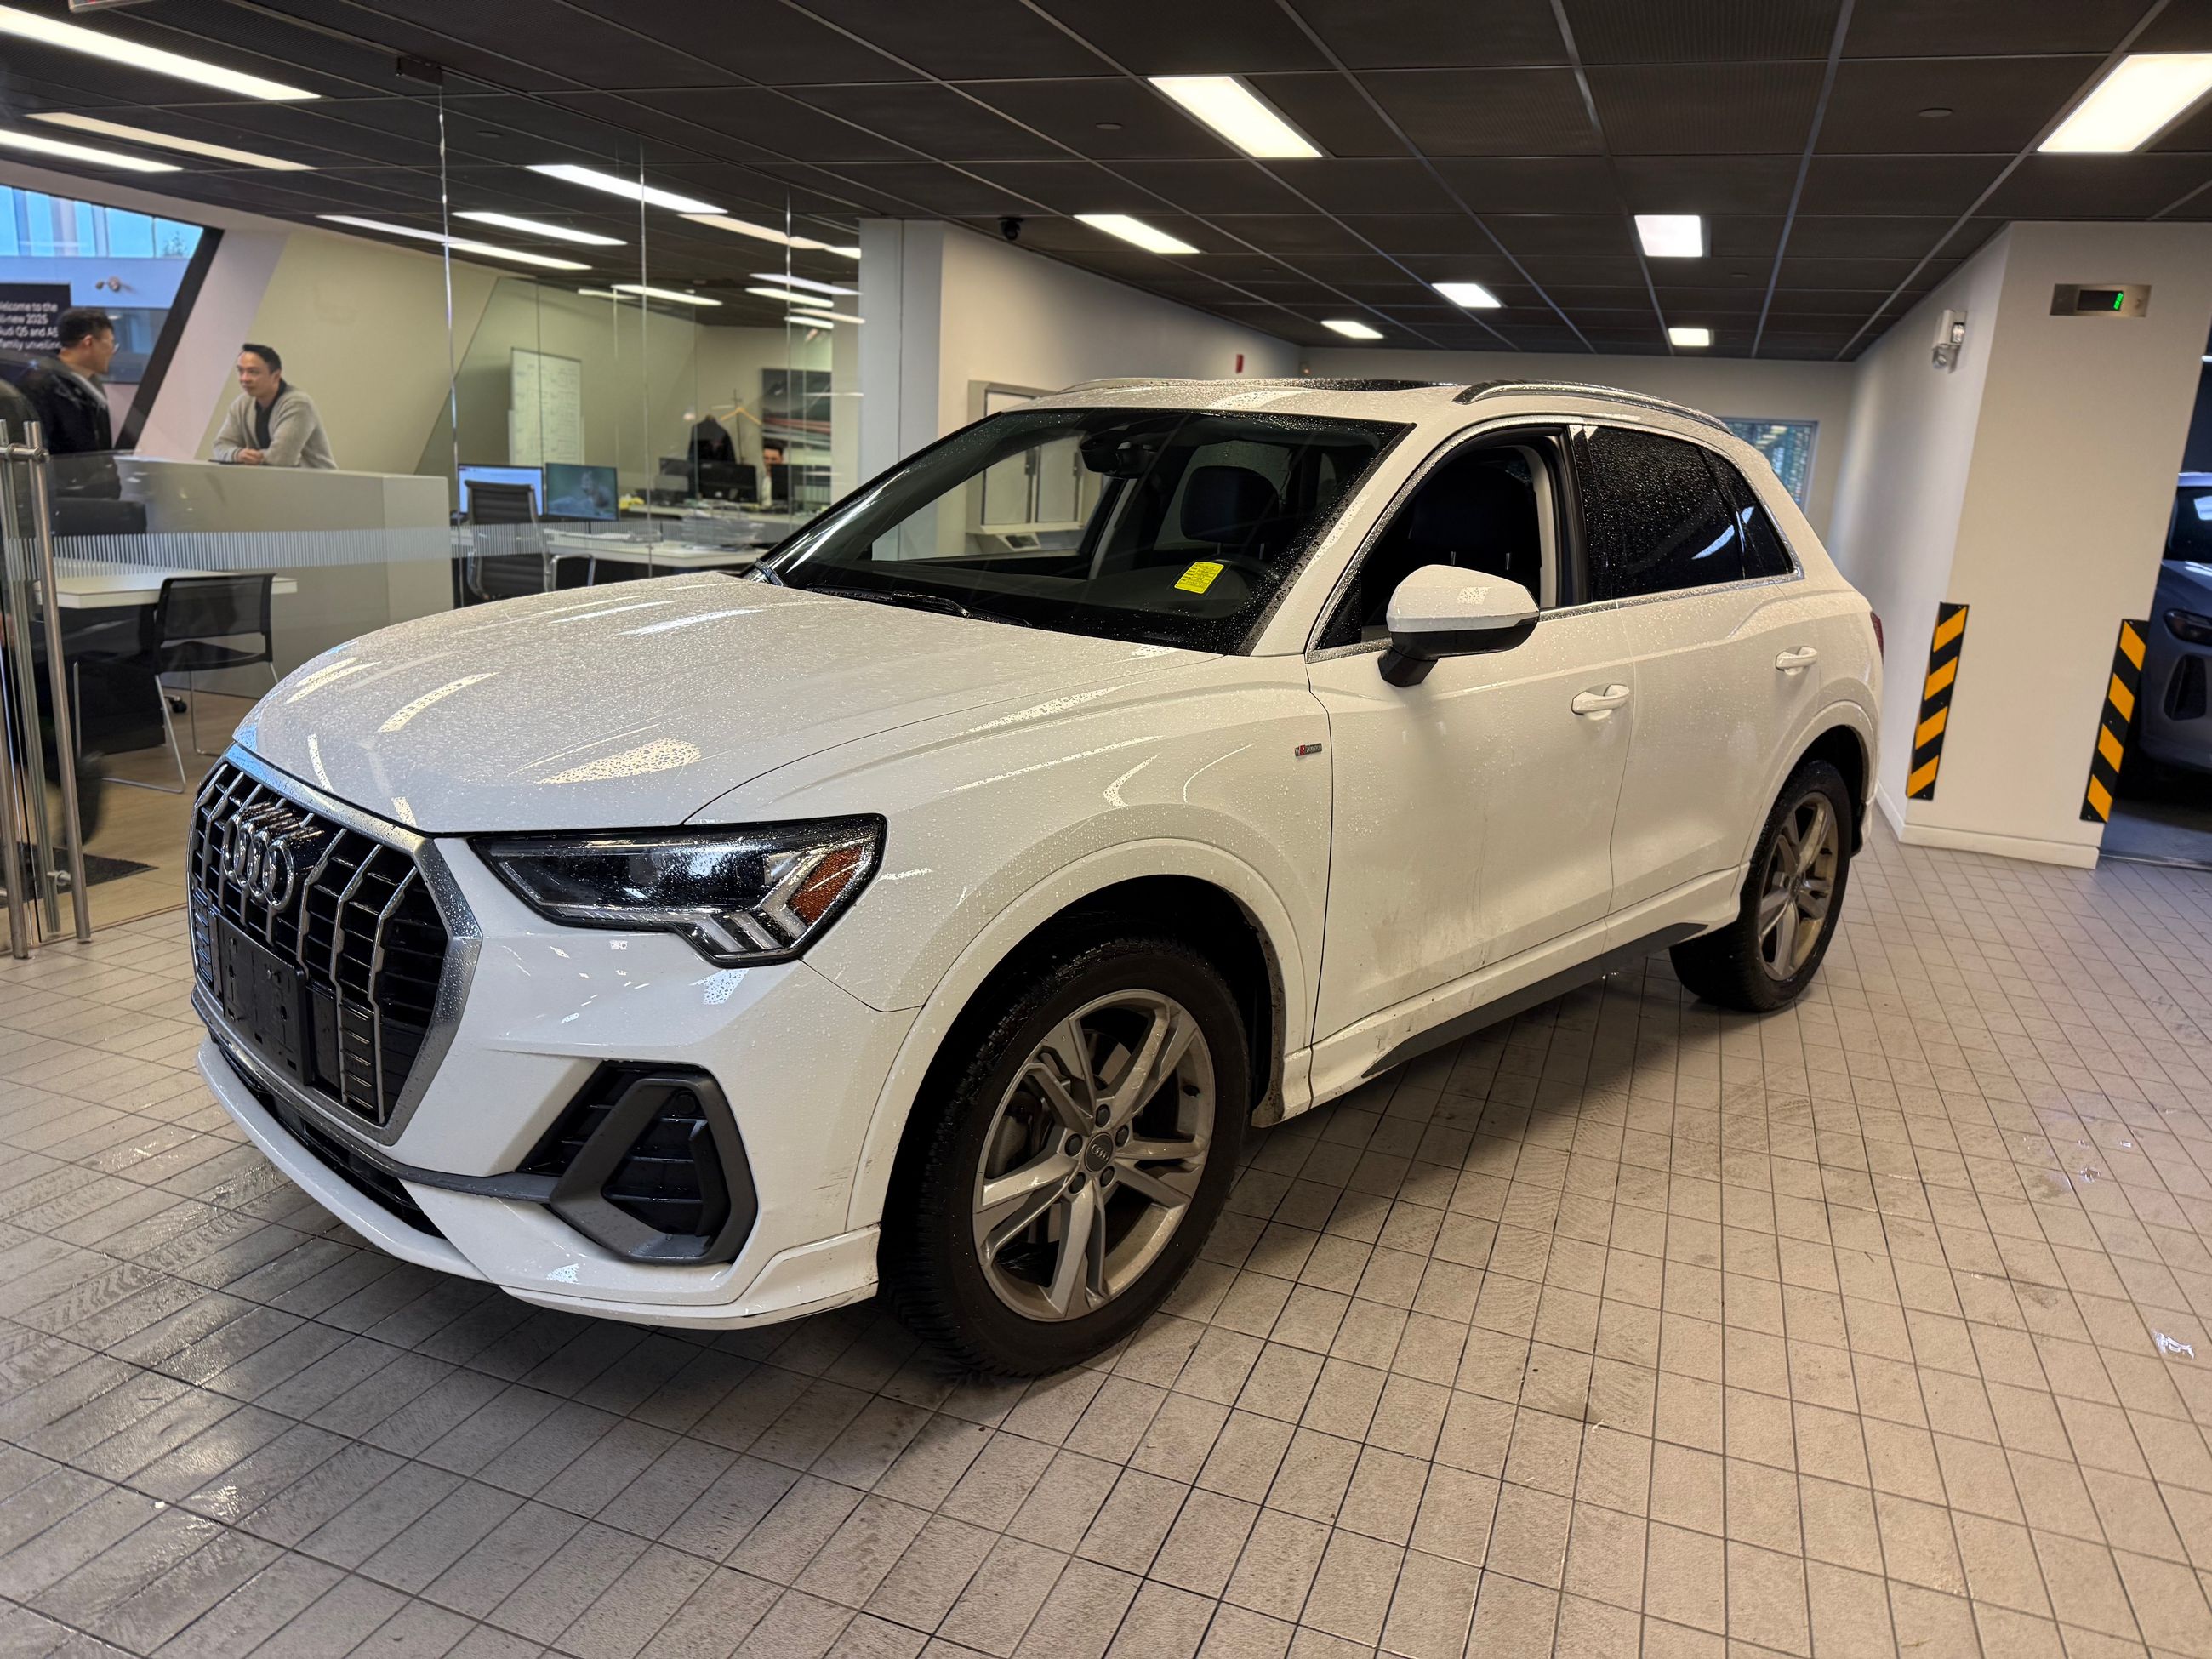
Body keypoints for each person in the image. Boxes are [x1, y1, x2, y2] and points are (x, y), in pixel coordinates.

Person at [211, 343, 336, 469]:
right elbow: (220, 446)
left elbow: (281, 459)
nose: (244, 378)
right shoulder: (241, 403)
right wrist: (237, 454)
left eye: (253, 372)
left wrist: (247, 456)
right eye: (240, 371)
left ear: (276, 376)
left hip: (316, 485)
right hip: (273, 483)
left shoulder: (298, 404)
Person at [20, 307, 116, 456]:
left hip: (95, 476)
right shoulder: (40, 386)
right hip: (63, 477)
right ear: (88, 342)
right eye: (110, 343)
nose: (112, 351)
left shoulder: (91, 381)